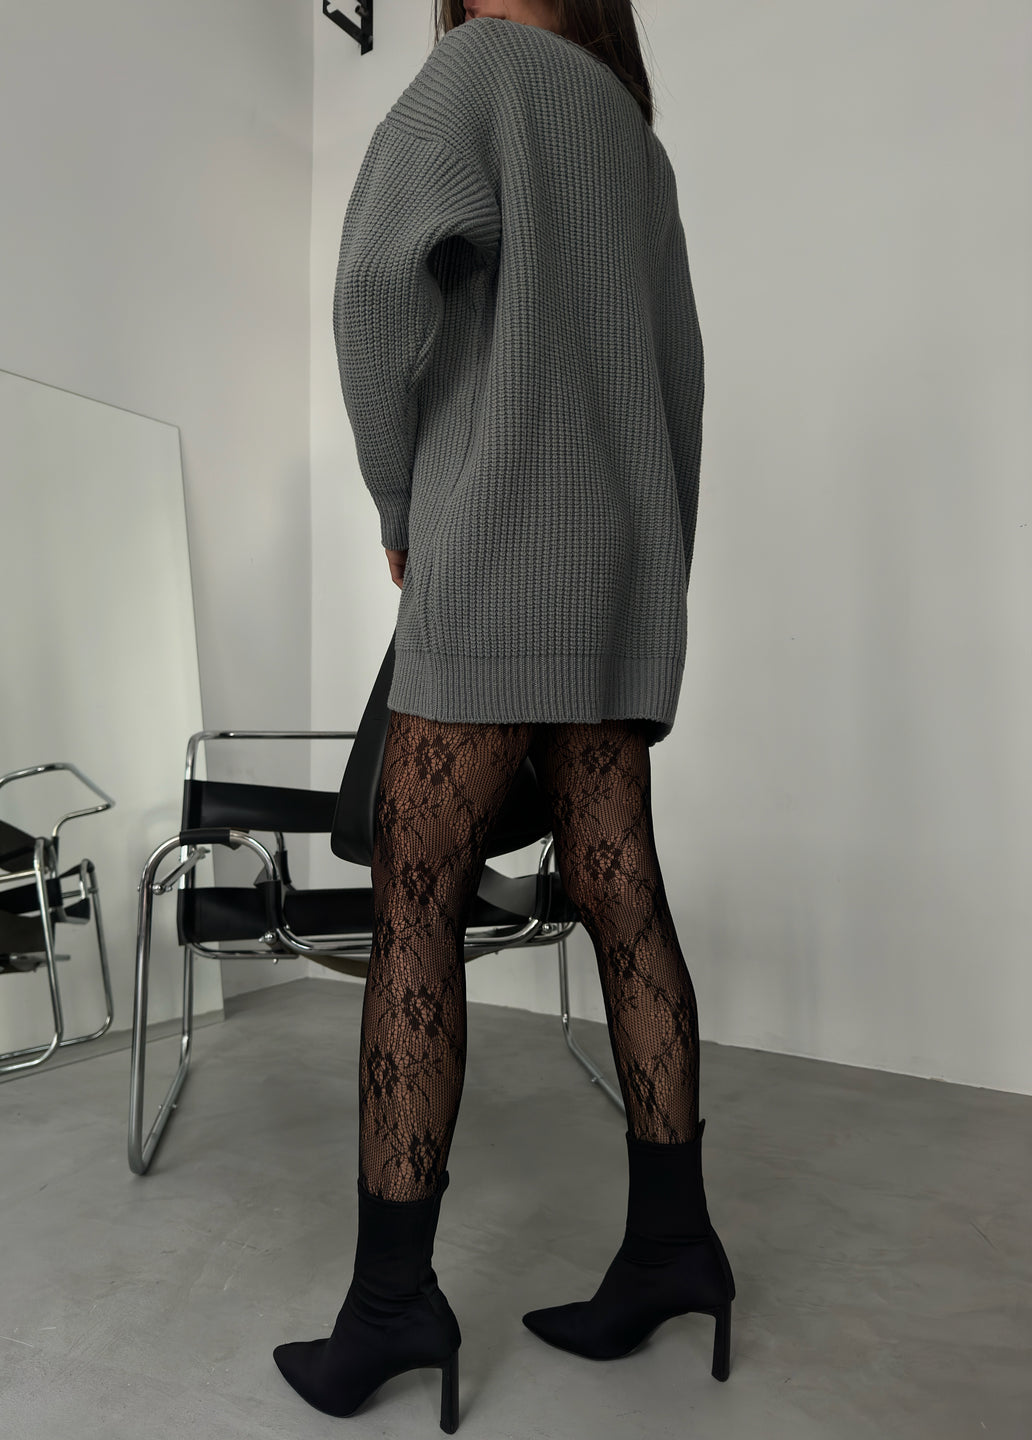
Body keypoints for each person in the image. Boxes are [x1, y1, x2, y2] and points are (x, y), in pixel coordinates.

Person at [274, 1, 735, 1429]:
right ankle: (674, 1246)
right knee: (623, 898)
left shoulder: (480, 68)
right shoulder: (636, 146)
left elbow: (374, 286)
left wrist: (401, 502)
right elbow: (682, 386)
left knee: (416, 900)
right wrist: (650, 574)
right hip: (614, 579)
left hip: (497, 560)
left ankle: (390, 1306)